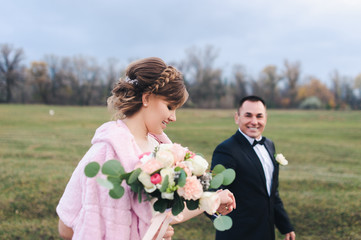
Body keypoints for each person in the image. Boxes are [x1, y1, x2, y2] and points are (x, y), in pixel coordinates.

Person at [56, 57, 235, 240]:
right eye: (170, 106)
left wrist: (214, 199)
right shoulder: (105, 153)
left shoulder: (160, 149)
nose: (173, 117)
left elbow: (166, 213)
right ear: (147, 98)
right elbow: (66, 229)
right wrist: (146, 233)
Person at [211, 95, 296, 240]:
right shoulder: (226, 150)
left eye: (259, 116)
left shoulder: (269, 145)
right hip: (238, 233)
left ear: (266, 118)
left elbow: (271, 193)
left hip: (266, 231)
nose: (254, 122)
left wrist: (285, 226)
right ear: (237, 117)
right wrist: (218, 217)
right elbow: (214, 191)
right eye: (248, 115)